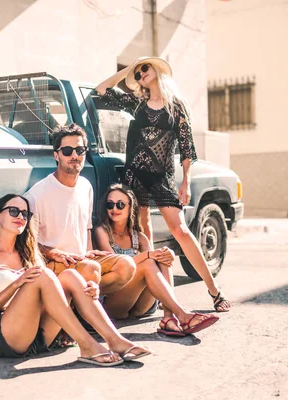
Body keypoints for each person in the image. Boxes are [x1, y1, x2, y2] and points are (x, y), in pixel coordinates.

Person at [95, 57, 231, 312]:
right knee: (146, 235)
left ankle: (214, 290)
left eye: (144, 68)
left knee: (180, 230)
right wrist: (128, 69)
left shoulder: (177, 106)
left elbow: (188, 147)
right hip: (135, 177)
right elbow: (100, 90)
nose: (140, 74)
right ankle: (162, 297)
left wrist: (186, 183)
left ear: (158, 71)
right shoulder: (136, 104)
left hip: (162, 177)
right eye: (138, 72)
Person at [0, 194, 151, 364]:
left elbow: (51, 288)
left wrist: (88, 288)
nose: (20, 216)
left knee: (71, 276)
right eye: (13, 211)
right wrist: (18, 283)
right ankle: (87, 346)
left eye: (25, 213)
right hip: (5, 334)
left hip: (38, 334)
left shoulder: (28, 252)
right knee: (43, 273)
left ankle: (116, 341)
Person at [24, 124, 136, 296]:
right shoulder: (37, 195)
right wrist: (52, 253)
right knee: (91, 269)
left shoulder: (85, 186)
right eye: (67, 150)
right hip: (54, 263)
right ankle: (81, 308)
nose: (74, 155)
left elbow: (86, 226)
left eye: (80, 150)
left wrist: (88, 251)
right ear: (56, 155)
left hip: (81, 258)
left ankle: (79, 299)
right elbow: (27, 242)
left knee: (126, 265)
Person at [94, 184, 219, 335]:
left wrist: (167, 254)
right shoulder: (102, 232)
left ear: (130, 207)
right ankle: (182, 315)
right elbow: (115, 264)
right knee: (149, 261)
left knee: (162, 258)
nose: (114, 209)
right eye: (110, 204)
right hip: (115, 304)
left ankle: (168, 316)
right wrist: (148, 255)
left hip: (142, 306)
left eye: (120, 205)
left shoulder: (139, 237)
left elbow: (154, 261)